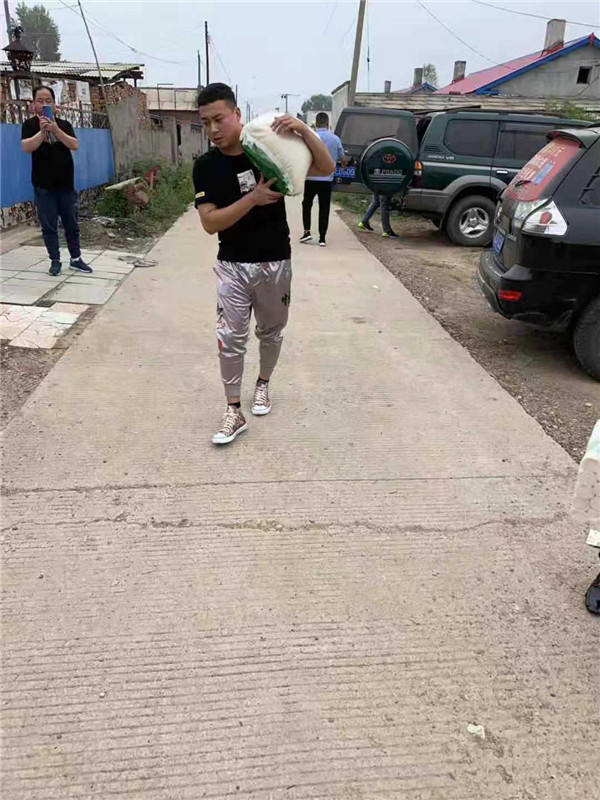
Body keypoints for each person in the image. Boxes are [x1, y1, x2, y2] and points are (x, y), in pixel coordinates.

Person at [193, 83, 335, 445]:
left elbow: (326, 167)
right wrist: (252, 199)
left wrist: (303, 130)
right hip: (232, 264)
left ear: (237, 114)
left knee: (271, 331)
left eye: (219, 119)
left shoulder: (266, 147)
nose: (213, 129)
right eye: (206, 122)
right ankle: (233, 409)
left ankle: (263, 384)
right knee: (230, 337)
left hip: (275, 260)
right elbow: (210, 223)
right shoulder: (206, 166)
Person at [20, 85, 92, 276]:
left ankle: (76, 259)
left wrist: (56, 129)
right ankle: (55, 260)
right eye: (40, 101)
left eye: (48, 101)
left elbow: (74, 145)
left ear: (54, 104)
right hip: (43, 185)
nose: (44, 104)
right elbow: (26, 147)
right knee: (49, 226)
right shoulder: (29, 125)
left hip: (66, 184)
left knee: (71, 224)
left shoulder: (64, 124)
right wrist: (42, 132)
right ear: (33, 105)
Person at [299, 112, 345, 247]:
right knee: (324, 208)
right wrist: (342, 167)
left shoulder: (311, 137)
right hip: (327, 180)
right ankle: (322, 238)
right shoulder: (335, 139)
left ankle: (307, 232)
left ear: (316, 124)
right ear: (328, 124)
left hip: (310, 179)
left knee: (306, 204)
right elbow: (342, 158)